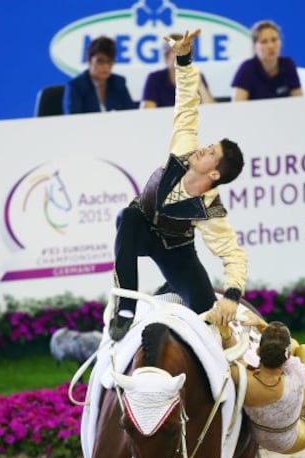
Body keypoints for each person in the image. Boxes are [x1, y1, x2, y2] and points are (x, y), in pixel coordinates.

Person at [109, 29, 247, 342]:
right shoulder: (183, 147)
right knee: (126, 217)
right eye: (208, 145)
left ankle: (171, 290)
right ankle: (126, 308)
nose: (203, 149)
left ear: (214, 175)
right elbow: (187, 102)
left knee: (209, 323)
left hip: (177, 252)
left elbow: (233, 253)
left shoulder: (209, 208)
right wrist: (183, 59)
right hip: (141, 228)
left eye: (211, 153)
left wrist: (232, 295)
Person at [229, 318, 305, 454]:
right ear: (287, 354)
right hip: (295, 439)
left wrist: (225, 332)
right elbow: (293, 345)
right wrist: (264, 327)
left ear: (259, 351)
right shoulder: (297, 375)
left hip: (261, 437)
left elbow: (234, 353)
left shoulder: (242, 377)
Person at [231, 20, 303, 101]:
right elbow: (237, 107)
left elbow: (299, 101)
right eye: (264, 42)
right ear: (255, 47)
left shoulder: (287, 65)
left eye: (274, 40)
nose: (270, 46)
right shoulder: (247, 69)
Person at [63, 36, 136, 114]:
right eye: (100, 61)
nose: (106, 66)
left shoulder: (119, 83)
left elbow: (130, 114)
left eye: (109, 61)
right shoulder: (76, 86)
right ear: (90, 61)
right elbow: (73, 120)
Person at [140, 33, 215, 108]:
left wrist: (200, 84)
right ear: (166, 55)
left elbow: (211, 109)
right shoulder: (155, 78)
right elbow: (147, 111)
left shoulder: (197, 75)